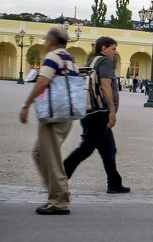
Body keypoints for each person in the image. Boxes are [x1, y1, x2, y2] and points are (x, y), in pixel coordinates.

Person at [17, 27, 78, 215]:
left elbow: (42, 82)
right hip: (66, 115)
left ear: (51, 41)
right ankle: (56, 193)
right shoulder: (70, 59)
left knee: (51, 158)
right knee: (39, 153)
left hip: (54, 116)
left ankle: (59, 201)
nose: (44, 43)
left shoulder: (52, 57)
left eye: (45, 40)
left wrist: (26, 105)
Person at [63, 37, 130, 194]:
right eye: (113, 49)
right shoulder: (105, 62)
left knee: (109, 150)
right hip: (100, 113)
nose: (115, 52)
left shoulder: (91, 62)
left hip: (88, 111)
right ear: (103, 49)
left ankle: (114, 183)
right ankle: (60, 177)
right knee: (86, 148)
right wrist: (112, 112)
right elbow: (106, 87)